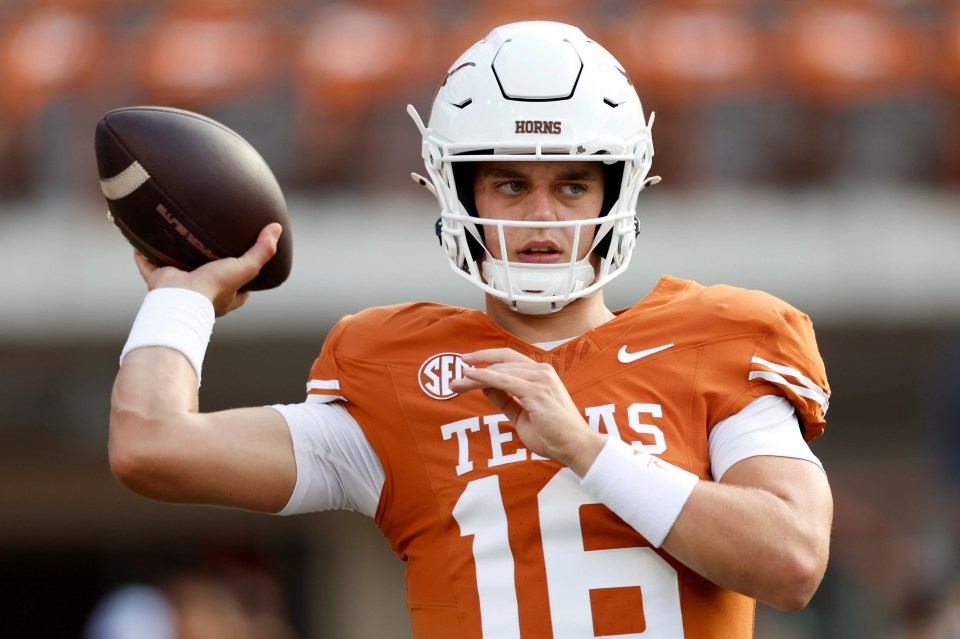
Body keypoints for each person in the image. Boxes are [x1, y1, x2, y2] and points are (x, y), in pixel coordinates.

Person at [108, 21, 833, 638]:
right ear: (458, 191)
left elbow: (793, 560)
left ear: (620, 188)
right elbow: (151, 445)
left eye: (572, 184)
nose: (543, 218)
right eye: (511, 185)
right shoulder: (398, 371)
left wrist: (584, 447)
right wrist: (182, 300)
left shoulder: (719, 338)